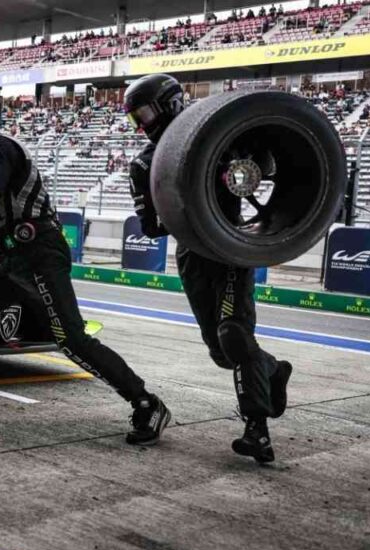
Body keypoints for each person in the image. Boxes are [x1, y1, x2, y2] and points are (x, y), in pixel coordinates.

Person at [0, 90, 171, 447]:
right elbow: (3, 228)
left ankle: (147, 403)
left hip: (40, 255)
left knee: (71, 339)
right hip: (19, 258)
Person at [124, 74, 292, 464]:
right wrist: (189, 211)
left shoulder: (222, 137)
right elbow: (150, 227)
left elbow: (266, 164)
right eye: (136, 118)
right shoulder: (144, 164)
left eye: (145, 113)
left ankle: (257, 431)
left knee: (233, 335)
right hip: (192, 255)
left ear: (169, 104)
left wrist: (241, 157)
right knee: (220, 352)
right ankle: (272, 368)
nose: (142, 124)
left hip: (230, 247)